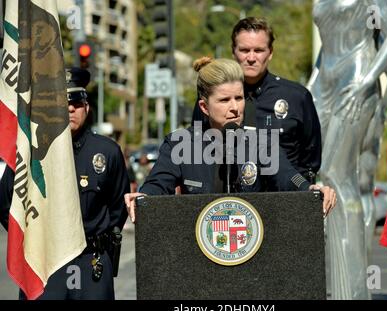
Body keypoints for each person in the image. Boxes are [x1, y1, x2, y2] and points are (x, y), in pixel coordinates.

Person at [125, 57, 336, 221]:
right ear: (204, 107)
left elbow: (288, 176)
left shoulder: (260, 141)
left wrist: (308, 189)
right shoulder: (181, 144)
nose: (235, 108)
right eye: (225, 100)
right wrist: (144, 196)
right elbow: (158, 183)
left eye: (239, 97)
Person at [0, 67, 130, 300]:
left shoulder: (107, 151)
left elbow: (117, 209)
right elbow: (6, 204)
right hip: (45, 263)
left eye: (77, 103)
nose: (70, 108)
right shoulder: (29, 151)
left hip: (91, 262)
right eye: (62, 101)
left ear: (87, 108)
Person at [307, 0, 387, 299]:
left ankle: (353, 290)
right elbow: (327, 46)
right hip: (323, 86)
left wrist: (369, 84)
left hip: (356, 79)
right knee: (320, 173)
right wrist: (309, 87)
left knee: (339, 175)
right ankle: (337, 284)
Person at [193, 17, 322, 184]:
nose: (251, 57)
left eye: (259, 50)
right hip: (233, 202)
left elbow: (310, 161)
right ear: (233, 51)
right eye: (244, 50)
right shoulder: (213, 96)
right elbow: (196, 146)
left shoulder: (297, 96)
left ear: (270, 52)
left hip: (286, 200)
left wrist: (300, 193)